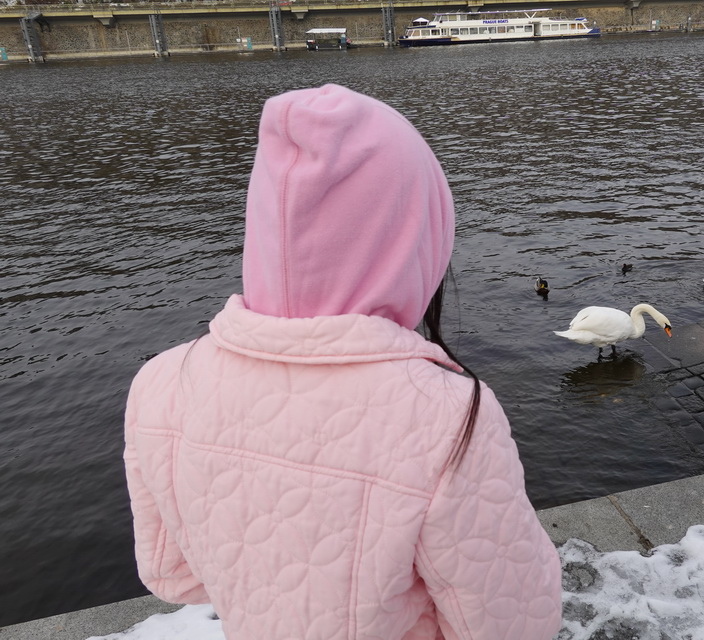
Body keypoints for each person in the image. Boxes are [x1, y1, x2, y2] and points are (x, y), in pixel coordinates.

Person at [123, 85, 562, 639]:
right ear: (417, 242)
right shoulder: (447, 415)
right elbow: (515, 626)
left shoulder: (160, 382)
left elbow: (174, 576)